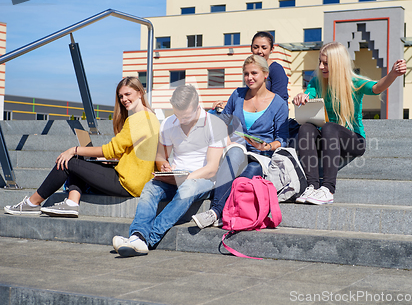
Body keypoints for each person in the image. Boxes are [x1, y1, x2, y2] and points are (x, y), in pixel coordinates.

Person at [4, 77, 160, 217]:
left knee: (70, 161)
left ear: (140, 93)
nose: (124, 99)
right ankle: (71, 203)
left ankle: (32, 203)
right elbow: (125, 152)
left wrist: (74, 149)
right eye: (121, 96)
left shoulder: (138, 119)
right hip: (135, 180)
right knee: (81, 161)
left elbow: (111, 149)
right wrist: (103, 159)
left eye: (128, 94)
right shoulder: (150, 117)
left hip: (128, 183)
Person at [113, 84, 227, 257]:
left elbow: (211, 169)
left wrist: (186, 178)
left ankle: (148, 239)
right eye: (178, 115)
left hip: (202, 179)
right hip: (177, 175)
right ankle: (138, 235)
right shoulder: (169, 122)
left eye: (186, 116)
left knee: (187, 188)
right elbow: (160, 156)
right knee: (151, 187)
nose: (181, 120)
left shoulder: (214, 125)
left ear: (198, 107)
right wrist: (163, 166)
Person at [293, 41, 407, 205]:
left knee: (330, 128)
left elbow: (376, 88)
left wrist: (393, 74)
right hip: (326, 139)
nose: (321, 66)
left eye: (326, 63)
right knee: (306, 128)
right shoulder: (316, 82)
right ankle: (312, 185)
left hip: (353, 140)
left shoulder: (354, 82)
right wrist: (302, 97)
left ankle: (328, 189)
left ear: (338, 64)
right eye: (320, 62)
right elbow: (309, 94)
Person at [191, 54, 288, 229]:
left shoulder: (279, 104)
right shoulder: (237, 94)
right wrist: (227, 140)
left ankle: (222, 211)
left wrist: (268, 146)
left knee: (251, 170)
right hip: (236, 149)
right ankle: (215, 212)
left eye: (254, 73)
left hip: (261, 156)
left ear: (265, 74)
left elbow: (283, 139)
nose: (249, 78)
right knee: (235, 152)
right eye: (246, 74)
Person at [211, 31, 289, 114]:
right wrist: (229, 105)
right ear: (251, 48)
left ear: (271, 49)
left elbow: (280, 101)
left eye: (264, 48)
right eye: (256, 47)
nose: (259, 51)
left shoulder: (276, 70)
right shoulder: (249, 68)